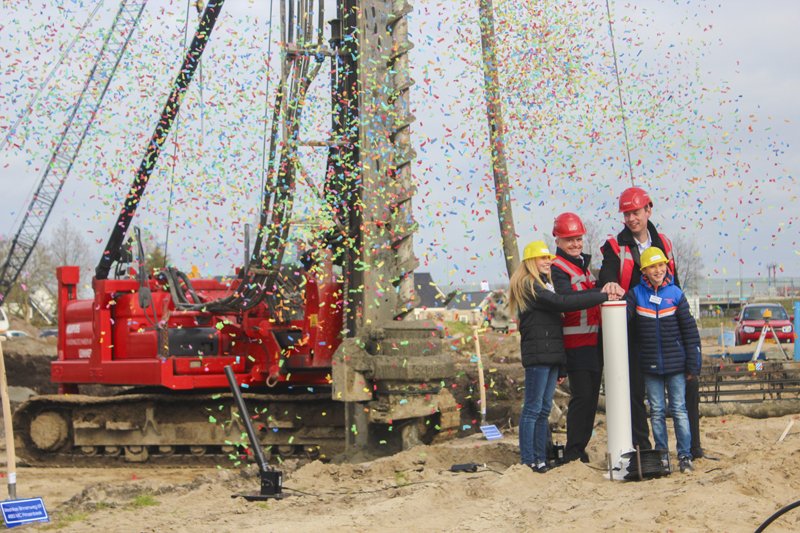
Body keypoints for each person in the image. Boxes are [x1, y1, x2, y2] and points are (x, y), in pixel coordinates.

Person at [598, 186, 702, 456]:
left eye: (636, 212)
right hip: (631, 328)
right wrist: (610, 283)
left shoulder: (663, 243)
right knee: (636, 392)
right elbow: (607, 275)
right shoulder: (615, 246)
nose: (632, 218)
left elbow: (674, 285)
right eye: (627, 214)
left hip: (666, 328)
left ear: (648, 210)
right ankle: (644, 447)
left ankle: (692, 448)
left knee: (684, 394)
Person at [509, 240, 617, 473]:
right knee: (533, 409)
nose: (548, 261)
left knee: (543, 409)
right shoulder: (530, 286)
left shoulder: (544, 286)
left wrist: (561, 364)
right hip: (538, 356)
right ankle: (528, 460)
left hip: (550, 356)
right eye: (543, 258)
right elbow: (562, 303)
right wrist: (601, 295)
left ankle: (540, 458)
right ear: (530, 262)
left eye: (548, 258)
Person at [550, 212, 622, 464]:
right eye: (569, 240)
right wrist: (601, 294)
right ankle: (573, 452)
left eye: (578, 239)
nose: (575, 244)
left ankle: (578, 449)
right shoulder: (557, 269)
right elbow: (567, 301)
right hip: (575, 345)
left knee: (590, 399)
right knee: (582, 399)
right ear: (557, 240)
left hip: (593, 343)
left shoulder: (583, 265)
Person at [625, 247, 701, 473]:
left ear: (667, 267)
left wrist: (693, 364)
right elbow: (624, 318)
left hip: (676, 365)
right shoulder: (636, 295)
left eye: (661, 265)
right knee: (657, 411)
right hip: (650, 365)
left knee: (678, 409)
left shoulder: (675, 294)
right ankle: (662, 455)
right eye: (652, 266)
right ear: (644, 270)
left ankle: (685, 455)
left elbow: (690, 332)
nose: (658, 270)